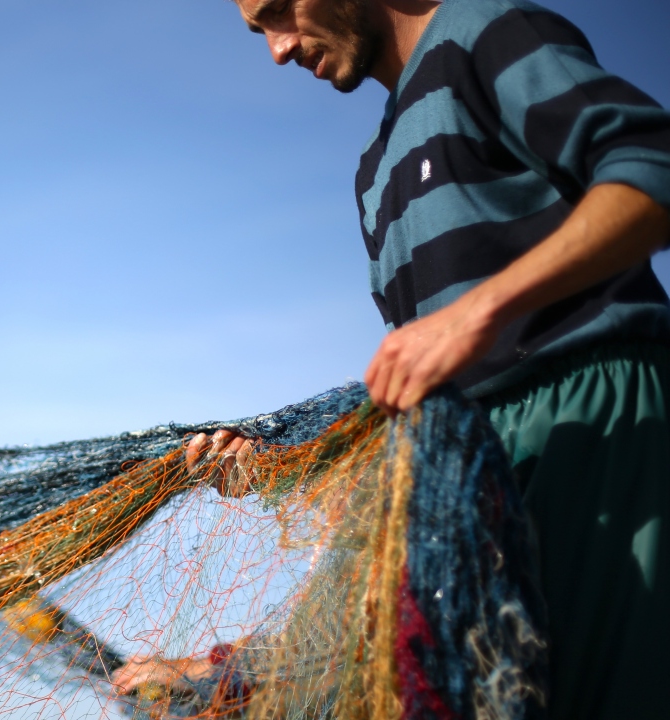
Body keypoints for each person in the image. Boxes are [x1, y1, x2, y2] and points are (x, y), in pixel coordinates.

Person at [113, 1, 670, 718]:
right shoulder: (374, 172)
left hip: (603, 433)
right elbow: (414, 412)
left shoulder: (484, 29)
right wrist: (286, 465)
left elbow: (651, 164)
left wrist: (481, 309)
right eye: (260, 31)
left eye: (282, 12)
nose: (279, 50)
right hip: (475, 470)